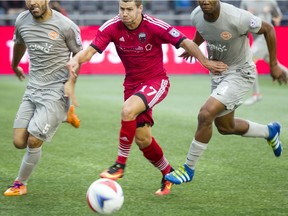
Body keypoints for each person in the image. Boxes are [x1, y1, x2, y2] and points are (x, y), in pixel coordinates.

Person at [66, 0, 227, 195]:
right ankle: (167, 173)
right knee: (143, 139)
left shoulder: (154, 26)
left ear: (140, 8)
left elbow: (185, 41)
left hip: (156, 82)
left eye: (129, 9)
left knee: (127, 110)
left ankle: (119, 165)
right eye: (122, 9)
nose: (124, 14)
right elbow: (89, 52)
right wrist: (75, 60)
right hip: (132, 85)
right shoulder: (111, 27)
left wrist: (205, 62)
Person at [165, 0, 287, 185]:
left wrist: (273, 64)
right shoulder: (196, 15)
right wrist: (194, 47)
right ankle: (269, 131)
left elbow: (269, 29)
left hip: (240, 72)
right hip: (218, 74)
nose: (205, 1)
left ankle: (188, 168)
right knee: (225, 127)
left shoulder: (238, 17)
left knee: (205, 114)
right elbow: (201, 29)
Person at [3, 0, 82, 196]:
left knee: (33, 141)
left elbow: (79, 55)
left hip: (56, 92)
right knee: (18, 142)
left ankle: (20, 184)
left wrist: (71, 83)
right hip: (33, 88)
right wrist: (14, 65)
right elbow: (19, 43)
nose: (31, 3)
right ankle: (65, 115)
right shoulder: (22, 20)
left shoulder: (65, 25)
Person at [240, 0, 288, 105]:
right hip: (256, 38)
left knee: (248, 61)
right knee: (275, 64)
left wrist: (274, 18)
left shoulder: (271, 2)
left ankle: (256, 94)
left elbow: (278, 17)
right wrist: (249, 14)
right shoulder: (246, 2)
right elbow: (240, 20)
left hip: (265, 38)